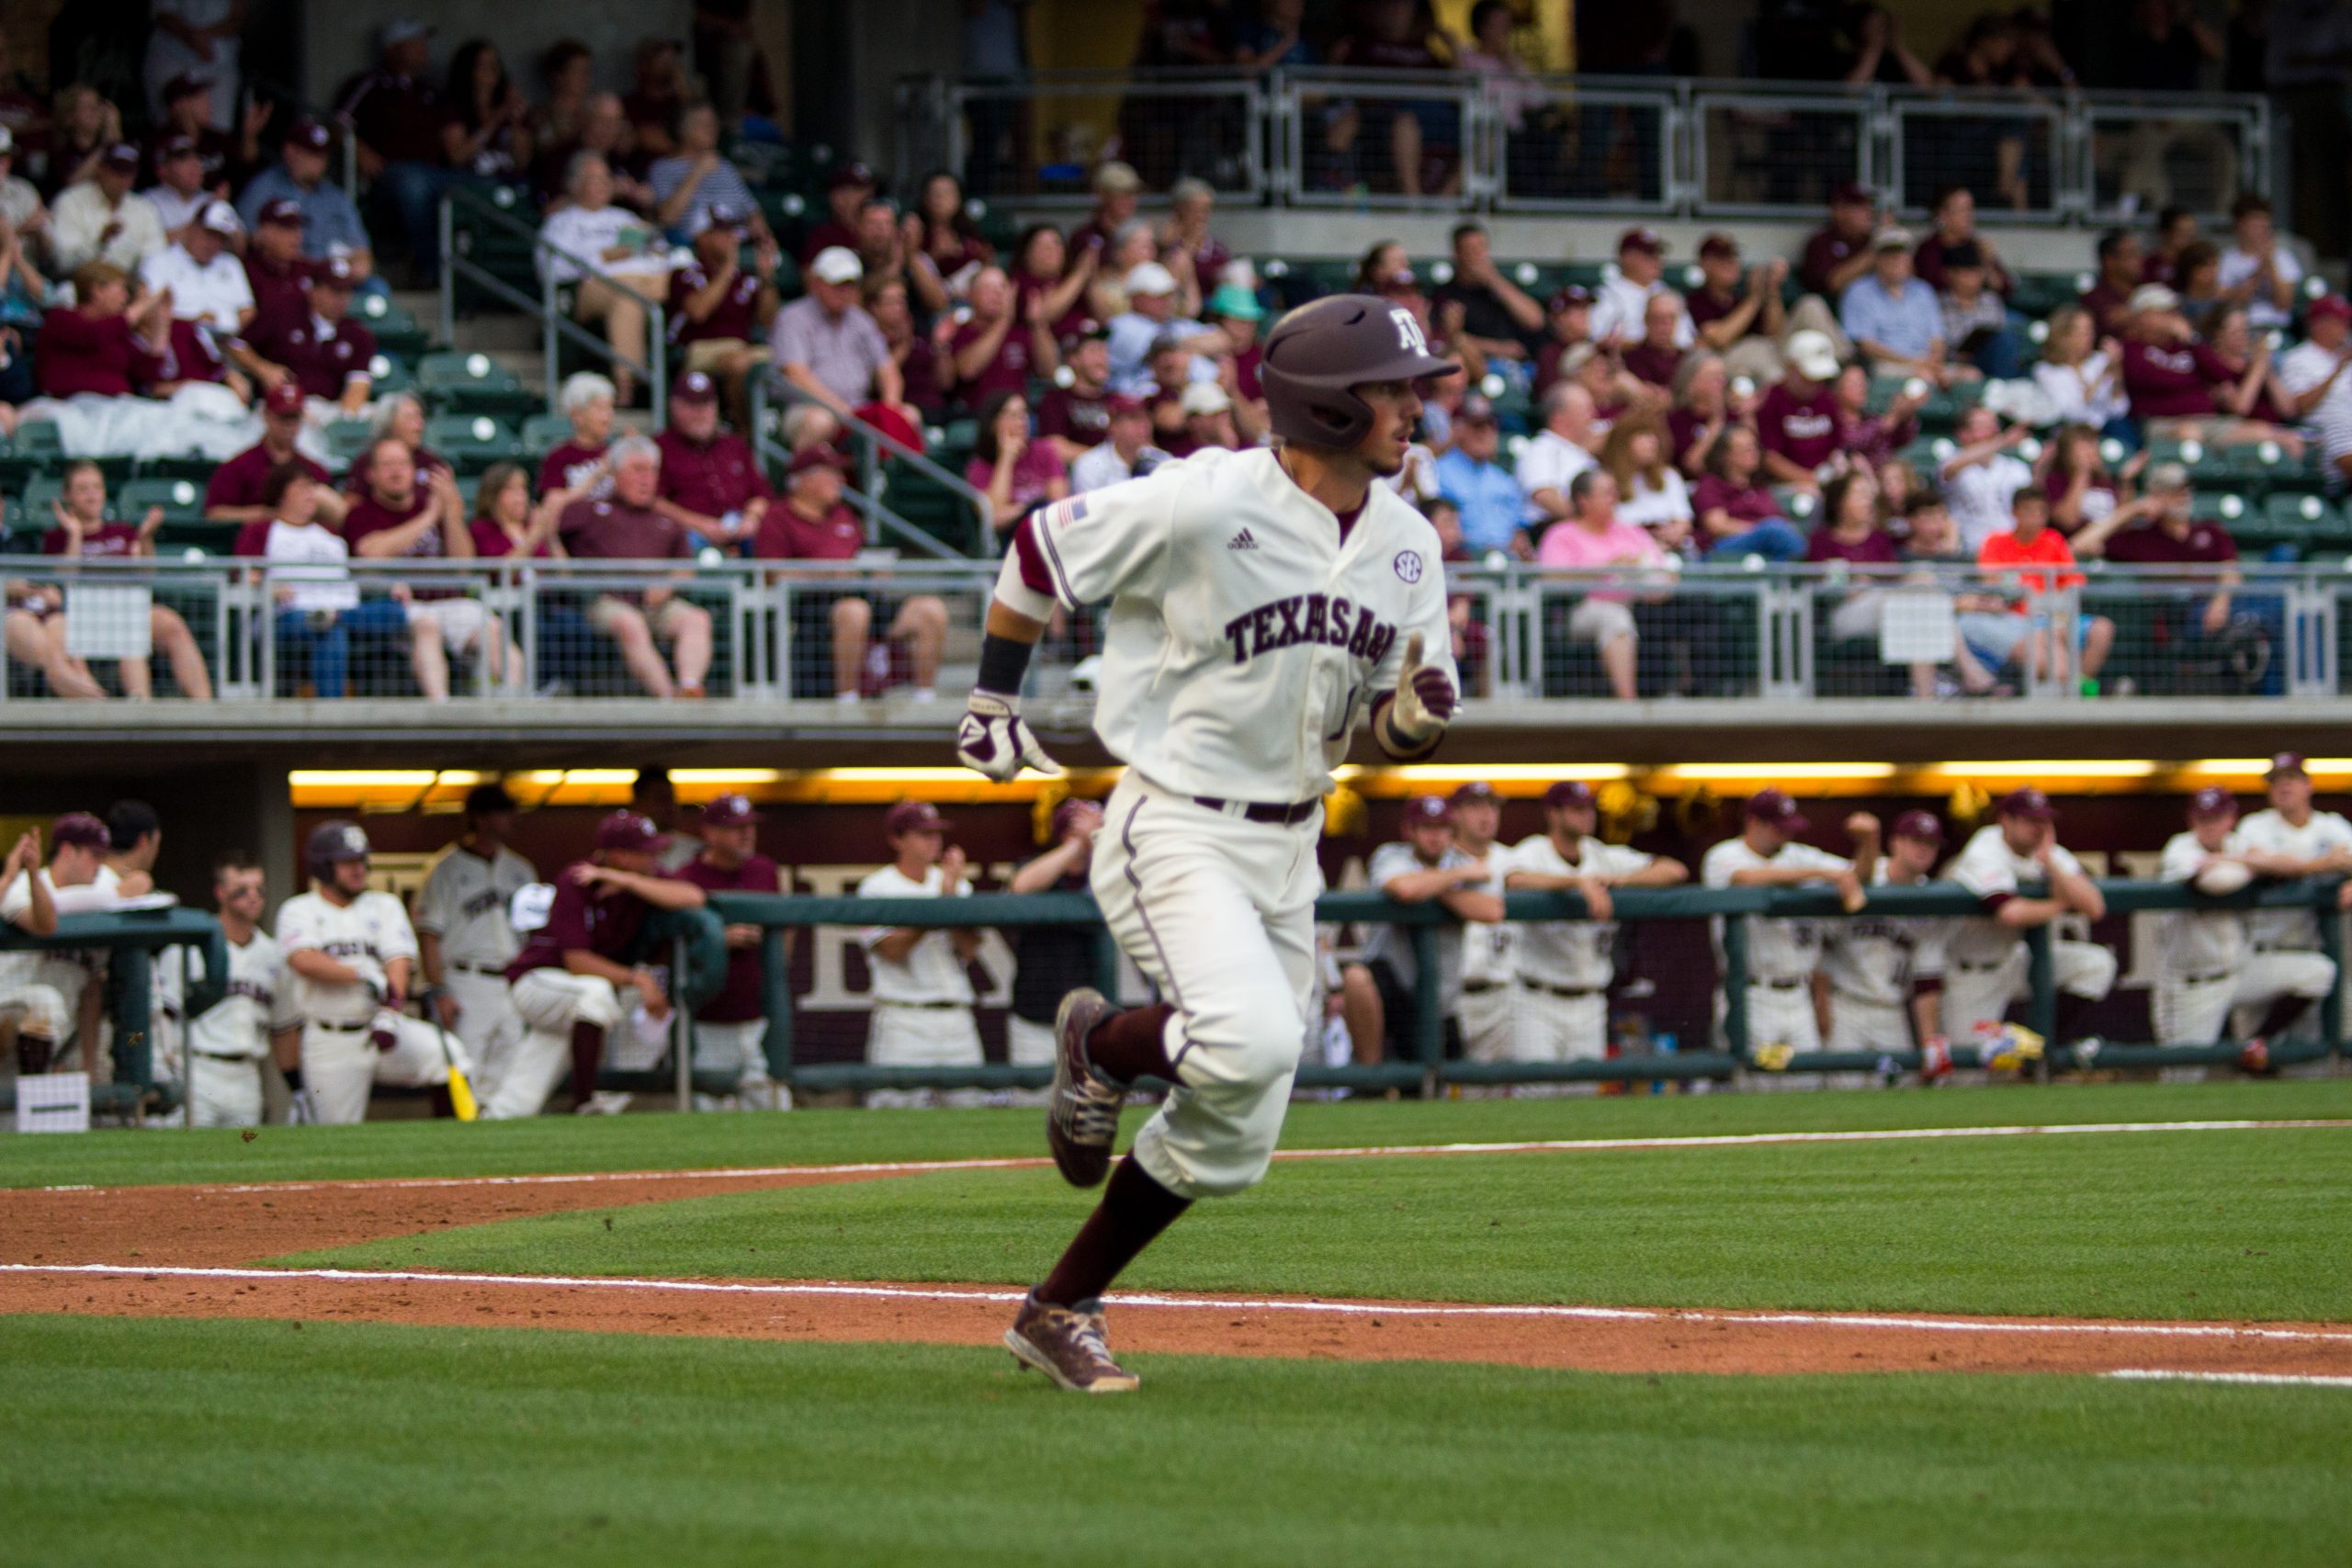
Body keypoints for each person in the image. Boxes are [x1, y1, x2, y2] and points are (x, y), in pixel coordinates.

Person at [955, 290, 1461, 1393]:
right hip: (1176, 819)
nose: (1414, 407)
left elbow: (1388, 724)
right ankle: (1105, 1048)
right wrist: (996, 699)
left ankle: (1058, 1306)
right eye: (1393, 388)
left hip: (1291, 842)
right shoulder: (1202, 500)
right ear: (1327, 404)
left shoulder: (1410, 546)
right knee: (1250, 1044)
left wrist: (1410, 725)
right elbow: (1040, 547)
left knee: (1235, 1140)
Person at [492, 810, 707, 1118]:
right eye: (646, 852)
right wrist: (639, 979)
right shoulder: (576, 878)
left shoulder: (641, 877)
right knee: (595, 994)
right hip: (538, 981)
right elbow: (577, 962)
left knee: (519, 1103)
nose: (655, 857)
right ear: (619, 855)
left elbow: (693, 897)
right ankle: (584, 1102)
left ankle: (497, 1117)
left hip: (571, 998)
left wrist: (625, 880)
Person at [276, 820, 472, 1122]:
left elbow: (399, 960)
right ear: (324, 867)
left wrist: (390, 1011)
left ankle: (456, 1141)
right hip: (332, 1037)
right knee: (336, 1136)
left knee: (447, 1054)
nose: (358, 869)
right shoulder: (299, 909)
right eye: (347, 862)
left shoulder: (384, 905)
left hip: (380, 1027)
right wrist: (362, 974)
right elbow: (304, 959)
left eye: (361, 860)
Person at [1502, 780, 1686, 1072]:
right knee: (1535, 1093)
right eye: (1576, 809)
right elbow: (1515, 881)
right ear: (1553, 813)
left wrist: (1622, 881)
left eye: (1589, 808)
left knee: (1585, 1095)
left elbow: (1674, 870)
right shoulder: (1533, 851)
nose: (1587, 815)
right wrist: (1578, 883)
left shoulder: (1603, 855)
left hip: (1590, 1000)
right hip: (1537, 999)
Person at [756, 444, 947, 701]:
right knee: (854, 611)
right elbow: (771, 575)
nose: (841, 480)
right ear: (806, 480)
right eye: (832, 474)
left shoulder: (844, 514)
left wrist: (874, 570)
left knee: (930, 609)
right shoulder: (777, 516)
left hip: (864, 596)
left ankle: (925, 698)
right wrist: (826, 574)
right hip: (812, 609)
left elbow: (859, 555)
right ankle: (848, 699)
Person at [2154, 786, 2333, 1054]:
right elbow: (2218, 882)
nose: (2210, 826)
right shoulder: (2179, 848)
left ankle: (2253, 1046)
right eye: (2203, 819)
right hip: (2194, 984)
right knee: (2183, 1076)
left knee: (2318, 972)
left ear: (2230, 819)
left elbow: (2292, 865)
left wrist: (2234, 859)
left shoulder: (2238, 845)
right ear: (2191, 821)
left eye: (2216, 818)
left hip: (2240, 970)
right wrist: (2256, 866)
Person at [1701, 792, 1876, 1061]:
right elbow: (1745, 878)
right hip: (1752, 993)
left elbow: (1858, 875)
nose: (1785, 834)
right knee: (1758, 1085)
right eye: (1777, 827)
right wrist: (1821, 874)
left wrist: (1869, 841)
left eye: (1788, 828)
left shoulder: (1798, 855)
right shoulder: (1724, 855)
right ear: (1753, 822)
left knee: (1805, 1086)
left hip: (1799, 997)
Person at [1938, 788, 2117, 1052]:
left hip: (2014, 960)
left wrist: (2051, 864)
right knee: (1968, 1072)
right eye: (2029, 820)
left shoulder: (2045, 851)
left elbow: (2095, 907)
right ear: (2005, 821)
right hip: (1971, 972)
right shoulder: (1985, 848)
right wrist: (2062, 903)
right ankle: (2017, 1047)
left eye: (2043, 820)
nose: (2039, 827)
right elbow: (2010, 914)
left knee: (2096, 964)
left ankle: (2039, 1043)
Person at [1339, 795, 1501, 1064]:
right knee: (1356, 976)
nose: (1435, 837)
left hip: (1440, 1000)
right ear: (1409, 831)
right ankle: (1370, 1079)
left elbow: (1492, 911)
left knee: (1437, 1091)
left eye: (1441, 828)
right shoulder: (1392, 854)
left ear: (1452, 831)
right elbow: (1404, 888)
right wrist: (1454, 880)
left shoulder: (1461, 860)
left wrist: (1430, 888)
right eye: (1426, 828)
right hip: (1391, 986)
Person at [34, 460, 215, 701]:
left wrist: (146, 539)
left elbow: (146, 576)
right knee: (128, 632)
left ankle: (203, 708)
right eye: (82, 489)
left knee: (170, 624)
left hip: (125, 609)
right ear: (68, 496)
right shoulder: (56, 538)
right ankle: (131, 710)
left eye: (96, 487)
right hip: (80, 615)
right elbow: (63, 581)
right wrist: (75, 535)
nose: (91, 495)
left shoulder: (122, 532)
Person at [343, 437, 503, 700]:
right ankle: (441, 711)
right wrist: (429, 516)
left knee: (492, 628)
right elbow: (371, 552)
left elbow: (464, 566)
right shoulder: (361, 513)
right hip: (401, 608)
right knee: (427, 626)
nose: (396, 471)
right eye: (387, 465)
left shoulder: (435, 508)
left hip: (447, 601)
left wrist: (450, 512)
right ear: (371, 474)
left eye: (403, 464)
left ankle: (508, 707)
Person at [557, 436, 712, 699]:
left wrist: (668, 585)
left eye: (652, 470)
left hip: (656, 602)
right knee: (630, 623)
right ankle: (668, 699)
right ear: (615, 474)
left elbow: (686, 566)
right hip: (607, 602)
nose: (646, 478)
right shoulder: (591, 510)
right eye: (637, 469)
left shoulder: (666, 518)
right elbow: (552, 514)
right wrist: (597, 476)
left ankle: (689, 688)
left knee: (697, 619)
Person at [855, 800, 984, 1108]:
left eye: (936, 833)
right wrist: (939, 906)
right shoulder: (875, 888)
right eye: (922, 833)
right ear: (897, 839)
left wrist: (950, 896)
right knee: (893, 1120)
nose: (933, 840)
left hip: (957, 1019)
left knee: (969, 1120)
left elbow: (969, 951)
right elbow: (892, 950)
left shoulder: (957, 885)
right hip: (904, 1019)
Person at [165, 850, 302, 1129]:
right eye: (242, 889)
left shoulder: (274, 955)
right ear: (220, 892)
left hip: (247, 1074)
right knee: (191, 1161)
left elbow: (283, 1029)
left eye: (259, 890)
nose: (253, 897)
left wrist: (297, 1089)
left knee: (243, 1162)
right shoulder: (188, 947)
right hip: (198, 1067)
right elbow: (163, 1016)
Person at [254, 463, 411, 700]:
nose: (311, 494)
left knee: (395, 613)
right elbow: (245, 573)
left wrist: (389, 586)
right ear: (282, 493)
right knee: (327, 629)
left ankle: (332, 617)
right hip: (290, 613)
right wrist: (271, 587)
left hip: (340, 608)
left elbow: (354, 573)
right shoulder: (263, 529)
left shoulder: (331, 533)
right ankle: (331, 713)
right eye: (302, 488)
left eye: (314, 487)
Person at [674, 794, 788, 1111]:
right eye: (736, 827)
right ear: (710, 833)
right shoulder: (686, 877)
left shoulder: (764, 870)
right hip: (707, 1018)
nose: (746, 834)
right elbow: (670, 943)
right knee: (710, 1107)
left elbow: (787, 930)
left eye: (750, 826)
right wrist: (717, 940)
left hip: (757, 1014)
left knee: (774, 1105)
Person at [413, 782, 535, 1079]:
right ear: (480, 819)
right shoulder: (445, 868)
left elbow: (535, 936)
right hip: (466, 979)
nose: (511, 818)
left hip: (512, 979)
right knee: (467, 1070)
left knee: (513, 1071)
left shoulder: (522, 869)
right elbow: (429, 935)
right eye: (502, 812)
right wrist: (439, 989)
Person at [538, 152, 673, 407]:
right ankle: (630, 383)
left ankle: (639, 380)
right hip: (589, 288)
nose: (603, 185)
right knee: (628, 295)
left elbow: (661, 251)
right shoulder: (562, 221)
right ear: (575, 185)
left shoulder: (625, 218)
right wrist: (606, 257)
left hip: (645, 281)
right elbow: (553, 270)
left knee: (652, 288)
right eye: (594, 179)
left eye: (606, 179)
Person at [1818, 810, 1948, 1062]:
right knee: (1841, 1091)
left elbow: (1927, 976)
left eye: (1931, 844)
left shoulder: (1931, 896)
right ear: (1895, 842)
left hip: (1892, 1008)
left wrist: (1929, 1041)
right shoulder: (1860, 875)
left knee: (1899, 1092)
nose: (1924, 850)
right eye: (1916, 841)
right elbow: (1822, 945)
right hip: (1846, 1004)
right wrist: (1821, 1006)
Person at [335, 20, 457, 286]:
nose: (423, 48)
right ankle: (433, 272)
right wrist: (360, 150)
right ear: (393, 48)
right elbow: (338, 123)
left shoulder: (430, 91)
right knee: (412, 184)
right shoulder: (371, 84)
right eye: (415, 42)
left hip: (436, 175)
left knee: (478, 189)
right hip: (390, 177)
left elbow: (457, 148)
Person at [1537, 469, 1669, 701]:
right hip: (1581, 610)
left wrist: (1648, 580)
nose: (1614, 498)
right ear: (1583, 500)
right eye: (1607, 493)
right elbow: (1553, 581)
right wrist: (1606, 568)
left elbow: (1662, 573)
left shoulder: (1631, 532)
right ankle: (1629, 705)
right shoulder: (1561, 535)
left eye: (1615, 492)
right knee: (1614, 617)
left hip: (1637, 605)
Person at [0, 813, 117, 1076]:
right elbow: (45, 925)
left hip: (60, 1038)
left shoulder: (103, 894)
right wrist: (30, 873)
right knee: (45, 1002)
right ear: (67, 850)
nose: (99, 864)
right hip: (12, 1016)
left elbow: (92, 989)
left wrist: (88, 1065)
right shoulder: (21, 885)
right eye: (93, 855)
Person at [1005, 799, 1107, 1078]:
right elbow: (1021, 886)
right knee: (1029, 1111)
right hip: (1034, 1019)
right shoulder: (1037, 867)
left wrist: (1098, 845)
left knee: (1087, 1112)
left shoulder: (1107, 876)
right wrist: (1077, 845)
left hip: (1090, 1023)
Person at [770, 246, 909, 426]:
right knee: (820, 421)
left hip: (858, 406)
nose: (844, 291)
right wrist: (843, 412)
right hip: (808, 407)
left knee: (908, 416)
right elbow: (796, 375)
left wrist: (890, 411)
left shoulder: (861, 320)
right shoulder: (793, 318)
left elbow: (888, 370)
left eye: (850, 284)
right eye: (837, 284)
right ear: (816, 283)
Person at [665, 207, 778, 426]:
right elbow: (698, 312)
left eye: (732, 233)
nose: (731, 239)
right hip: (698, 349)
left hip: (743, 349)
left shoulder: (746, 278)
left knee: (783, 359)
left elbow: (767, 321)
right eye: (721, 233)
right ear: (701, 236)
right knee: (738, 362)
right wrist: (727, 268)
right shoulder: (685, 273)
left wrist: (766, 277)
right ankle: (747, 434)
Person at [235, 118, 375, 289]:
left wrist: (334, 270)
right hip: (287, 275)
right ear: (290, 151)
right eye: (312, 154)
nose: (319, 162)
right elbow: (248, 239)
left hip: (335, 278)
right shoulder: (264, 187)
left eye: (323, 156)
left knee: (375, 288)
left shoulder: (336, 197)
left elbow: (363, 257)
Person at [238, 254, 376, 412]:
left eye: (346, 291)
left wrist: (343, 419)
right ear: (314, 290)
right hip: (280, 407)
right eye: (335, 291)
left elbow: (358, 385)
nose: (341, 298)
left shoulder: (358, 334)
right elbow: (238, 345)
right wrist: (263, 369)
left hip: (327, 410)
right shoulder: (283, 314)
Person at [654, 369, 772, 547]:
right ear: (674, 406)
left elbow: (761, 494)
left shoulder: (735, 445)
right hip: (690, 531)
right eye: (690, 405)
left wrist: (751, 518)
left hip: (740, 528)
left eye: (706, 403)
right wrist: (701, 525)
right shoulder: (659, 447)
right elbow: (655, 502)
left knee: (771, 536)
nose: (699, 412)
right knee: (686, 542)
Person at [1841, 228, 1960, 386]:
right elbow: (1866, 346)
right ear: (1876, 258)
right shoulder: (1859, 291)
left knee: (1971, 376)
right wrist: (1912, 362)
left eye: (1902, 253)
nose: (1896, 259)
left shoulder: (1923, 291)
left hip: (1925, 362)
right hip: (1885, 364)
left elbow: (1937, 338)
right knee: (1924, 378)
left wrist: (1933, 362)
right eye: (1889, 254)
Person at [1431, 221, 1543, 370]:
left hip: (1520, 366)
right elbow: (1449, 338)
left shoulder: (1503, 286)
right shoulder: (1446, 295)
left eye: (1481, 248)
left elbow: (1535, 321)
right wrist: (1497, 348)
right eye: (1470, 250)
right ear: (1457, 253)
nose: (1477, 256)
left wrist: (1493, 279)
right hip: (1475, 367)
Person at [1104, 261, 1224, 398]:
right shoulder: (1123, 324)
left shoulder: (1177, 323)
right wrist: (1197, 346)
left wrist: (1183, 345)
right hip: (1146, 398)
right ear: (1135, 298)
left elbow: (1222, 339)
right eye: (1158, 296)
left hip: (1199, 393)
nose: (1166, 301)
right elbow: (1162, 346)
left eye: (1168, 294)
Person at [1684, 231, 1788, 383]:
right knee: (1755, 348)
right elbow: (1719, 339)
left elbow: (1774, 333)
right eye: (1722, 258)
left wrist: (1772, 289)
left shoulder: (1740, 299)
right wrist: (1755, 297)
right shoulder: (1696, 300)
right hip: (1720, 364)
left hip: (1760, 361)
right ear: (1705, 264)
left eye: (1733, 257)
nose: (1730, 263)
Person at [50, 143, 166, 275]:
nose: (122, 179)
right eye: (116, 171)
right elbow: (63, 262)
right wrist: (99, 244)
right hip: (81, 284)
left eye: (127, 172)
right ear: (100, 169)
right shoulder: (71, 201)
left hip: (130, 285)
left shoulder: (145, 209)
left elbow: (155, 258)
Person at [1433, 395, 1527, 557]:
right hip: (1460, 560)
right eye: (1477, 426)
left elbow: (1518, 527)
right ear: (1458, 429)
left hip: (1504, 561)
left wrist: (1518, 541)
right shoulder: (1437, 471)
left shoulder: (1504, 479)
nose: (1485, 433)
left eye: (1491, 426)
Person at [1694, 425, 1804, 561]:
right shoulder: (1711, 484)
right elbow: (1717, 525)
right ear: (1726, 456)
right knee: (1776, 531)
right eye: (1746, 449)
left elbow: (1782, 522)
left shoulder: (1758, 488)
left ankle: (1786, 580)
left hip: (1766, 546)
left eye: (1755, 447)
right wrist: (1764, 531)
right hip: (1722, 548)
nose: (1754, 453)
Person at [967, 389, 1069, 536]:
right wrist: (1006, 458)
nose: (1022, 422)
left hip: (1046, 534)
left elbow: (1057, 504)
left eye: (1024, 414)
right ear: (993, 423)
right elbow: (992, 516)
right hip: (1006, 541)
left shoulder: (1045, 451)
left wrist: (1021, 511)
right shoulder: (979, 465)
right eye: (1013, 415)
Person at [1756, 330, 1844, 491]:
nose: (1815, 384)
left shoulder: (1826, 398)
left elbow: (1836, 445)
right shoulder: (1772, 400)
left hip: (1825, 477)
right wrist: (1811, 479)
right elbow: (1770, 458)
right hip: (1786, 484)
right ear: (1791, 368)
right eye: (1809, 377)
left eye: (1820, 378)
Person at [1940, 405, 2036, 553]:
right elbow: (1950, 469)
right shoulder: (1953, 461)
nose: (1992, 431)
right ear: (1963, 434)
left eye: (1993, 425)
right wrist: (2003, 441)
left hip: (2010, 549)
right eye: (1983, 426)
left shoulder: (2016, 467)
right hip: (1969, 549)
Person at [2034, 302, 2133, 440]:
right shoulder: (2046, 370)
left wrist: (2116, 372)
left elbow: (2120, 409)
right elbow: (2072, 412)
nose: (2091, 337)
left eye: (2091, 331)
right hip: (2070, 432)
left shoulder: (2100, 360)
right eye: (2084, 332)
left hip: (2106, 429)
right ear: (2064, 337)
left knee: (2121, 428)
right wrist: (2103, 375)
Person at [1599, 412, 1693, 547]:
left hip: (1669, 547)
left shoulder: (1669, 476)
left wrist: (1674, 532)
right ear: (1623, 442)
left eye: (1654, 435)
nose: (1653, 441)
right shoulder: (1604, 482)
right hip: (1625, 550)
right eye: (1644, 435)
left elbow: (1683, 520)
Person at [1590, 227, 1692, 352]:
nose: (1656, 260)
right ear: (1626, 257)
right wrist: (1647, 343)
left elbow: (1687, 340)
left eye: (1658, 254)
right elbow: (1599, 340)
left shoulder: (1669, 294)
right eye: (1648, 255)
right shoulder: (1606, 295)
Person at [1515, 381, 1599, 533]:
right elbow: (1545, 496)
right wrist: (1588, 523)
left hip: (1585, 532)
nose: (1593, 415)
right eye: (1585, 409)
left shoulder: (1583, 454)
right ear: (1558, 417)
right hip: (1552, 531)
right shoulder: (1540, 449)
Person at [2217, 194, 2301, 331]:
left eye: (2265, 224)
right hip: (2239, 328)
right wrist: (2259, 271)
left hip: (2276, 327)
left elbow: (2284, 303)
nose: (2261, 230)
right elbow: (2230, 302)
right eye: (2254, 224)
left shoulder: (2283, 257)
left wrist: (2270, 262)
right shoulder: (2226, 259)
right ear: (2239, 224)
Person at [1937, 241, 2018, 380]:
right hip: (1953, 361)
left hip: (1988, 358)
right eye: (1968, 272)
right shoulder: (1938, 304)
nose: (1975, 278)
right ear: (1951, 274)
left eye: (1978, 272)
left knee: (2005, 340)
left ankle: (2002, 389)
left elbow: (2000, 337)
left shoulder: (1991, 300)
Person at [1036, 324, 1117, 464]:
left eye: (1104, 350)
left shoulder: (1117, 399)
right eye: (1094, 351)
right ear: (1073, 359)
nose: (1102, 358)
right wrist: (1104, 460)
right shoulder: (1056, 399)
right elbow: (1055, 447)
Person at [538, 371, 619, 501]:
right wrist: (597, 475)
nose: (608, 415)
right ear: (577, 415)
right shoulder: (558, 457)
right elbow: (553, 506)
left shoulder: (617, 453)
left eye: (610, 407)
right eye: (600, 408)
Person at [1798, 181, 1882, 304]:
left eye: (1870, 204)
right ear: (1839, 210)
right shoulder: (1821, 243)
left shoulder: (1872, 239)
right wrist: (1876, 250)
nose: (1868, 211)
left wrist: (1893, 241)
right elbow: (1835, 284)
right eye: (1859, 205)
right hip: (1831, 314)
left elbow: (1906, 280)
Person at [1068, 395, 1166, 493]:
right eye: (1134, 418)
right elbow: (1087, 507)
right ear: (1113, 426)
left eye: (1147, 418)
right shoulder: (1089, 465)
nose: (1144, 425)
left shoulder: (1162, 460)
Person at [241, 197, 313, 327]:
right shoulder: (246, 271)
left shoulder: (308, 270)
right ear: (266, 232)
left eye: (298, 228)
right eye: (288, 229)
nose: (297, 236)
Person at [2080, 230, 2145, 338]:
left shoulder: (2149, 290)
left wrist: (2133, 315)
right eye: (2131, 254)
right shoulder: (2094, 300)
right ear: (2109, 261)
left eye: (2139, 253)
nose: (2140, 259)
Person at [103, 800, 162, 897]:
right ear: (144, 841)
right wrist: (118, 895)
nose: (156, 852)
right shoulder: (93, 882)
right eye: (156, 844)